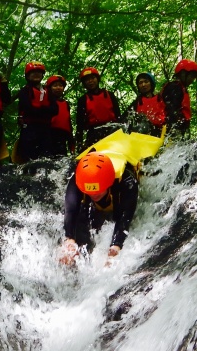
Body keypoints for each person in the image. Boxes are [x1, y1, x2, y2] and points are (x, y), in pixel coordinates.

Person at [58, 129, 163, 265]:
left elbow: (125, 218)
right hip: (102, 155)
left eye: (98, 191)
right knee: (83, 219)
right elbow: (71, 210)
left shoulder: (126, 182)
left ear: (108, 184)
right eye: (90, 191)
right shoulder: (78, 179)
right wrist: (69, 240)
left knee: (117, 213)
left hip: (124, 157)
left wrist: (115, 246)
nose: (94, 194)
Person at [15, 61, 58, 161]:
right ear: (28, 75)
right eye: (33, 73)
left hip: (45, 130)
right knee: (29, 159)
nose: (36, 75)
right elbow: (27, 109)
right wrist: (44, 110)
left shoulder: (48, 91)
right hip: (29, 130)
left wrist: (39, 110)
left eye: (39, 73)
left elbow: (55, 110)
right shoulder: (24, 91)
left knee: (46, 158)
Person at [75, 67, 123, 150]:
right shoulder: (82, 100)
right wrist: (79, 144)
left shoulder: (110, 95)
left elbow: (119, 116)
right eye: (87, 80)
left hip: (113, 131)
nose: (90, 81)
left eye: (92, 78)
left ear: (97, 79)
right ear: (84, 83)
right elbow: (80, 125)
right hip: (94, 134)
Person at [160, 59, 197, 139]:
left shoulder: (180, 88)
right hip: (170, 130)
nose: (192, 80)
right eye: (191, 76)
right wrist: (173, 130)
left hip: (176, 129)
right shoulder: (175, 87)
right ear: (183, 74)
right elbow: (171, 110)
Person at [46, 74, 74, 156]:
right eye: (55, 86)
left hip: (63, 137)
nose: (58, 88)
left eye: (60, 85)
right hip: (49, 136)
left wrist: (71, 142)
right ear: (49, 88)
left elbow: (68, 123)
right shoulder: (46, 102)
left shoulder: (65, 104)